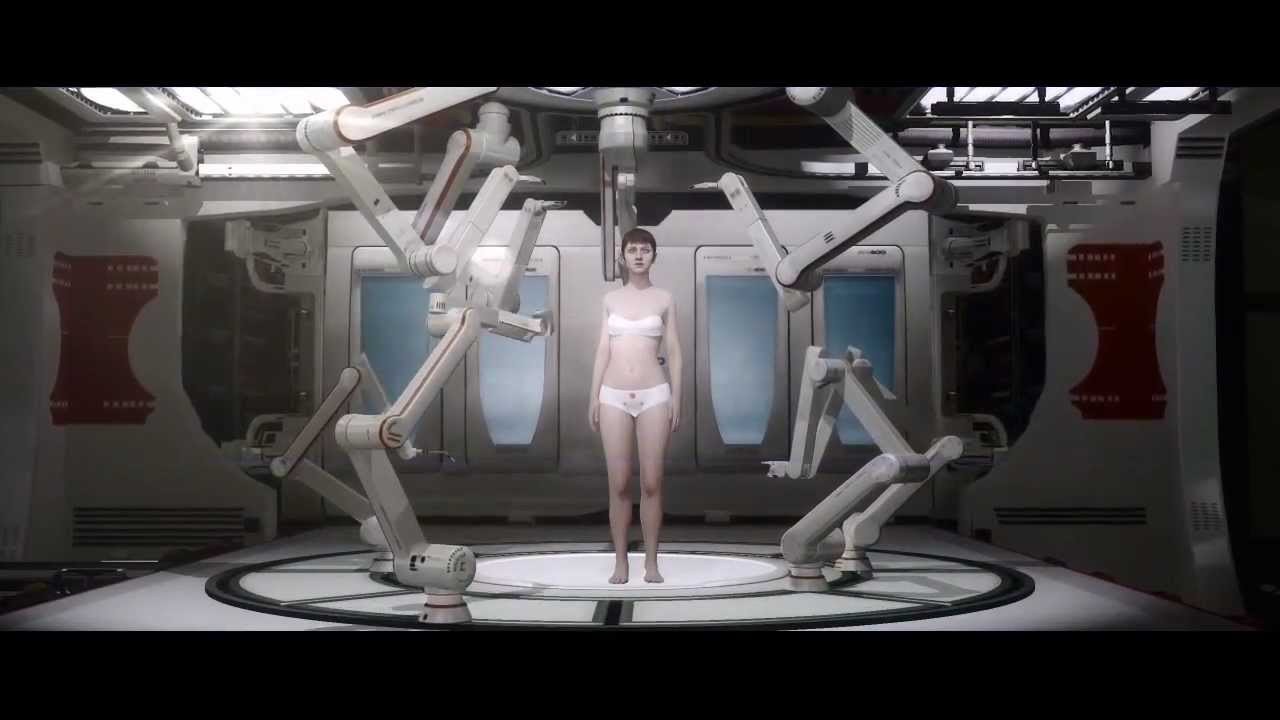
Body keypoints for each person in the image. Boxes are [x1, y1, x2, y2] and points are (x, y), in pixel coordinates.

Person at [588, 228, 682, 584]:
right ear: (623, 257)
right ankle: (621, 561)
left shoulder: (665, 298)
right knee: (619, 483)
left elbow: (674, 351)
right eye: (632, 250)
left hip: (654, 394)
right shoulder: (610, 300)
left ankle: (652, 562)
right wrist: (593, 396)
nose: (639, 255)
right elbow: (602, 350)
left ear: (654, 256)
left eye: (645, 249)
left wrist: (677, 397)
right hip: (612, 394)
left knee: (653, 482)